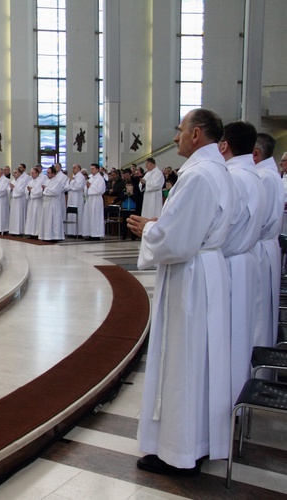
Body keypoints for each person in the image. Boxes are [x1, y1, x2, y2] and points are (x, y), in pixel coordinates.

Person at [128, 108, 234, 476]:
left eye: (179, 130)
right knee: (198, 360)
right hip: (205, 271)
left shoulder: (199, 176)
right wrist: (163, 226)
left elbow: (181, 240)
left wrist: (150, 231)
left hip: (190, 276)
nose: (174, 137)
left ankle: (178, 452)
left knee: (182, 361)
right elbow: (193, 226)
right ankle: (194, 442)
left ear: (196, 134)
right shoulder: (216, 170)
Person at [219, 121, 265, 409]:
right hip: (244, 259)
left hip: (230, 263)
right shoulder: (254, 175)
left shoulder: (233, 177)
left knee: (228, 343)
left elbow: (221, 226)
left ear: (224, 145)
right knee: (238, 336)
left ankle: (225, 405)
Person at [253, 133, 284, 350]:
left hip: (260, 248)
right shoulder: (271, 174)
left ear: (256, 154)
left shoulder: (263, 177)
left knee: (259, 310)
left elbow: (256, 220)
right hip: (267, 246)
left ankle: (259, 361)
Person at [38, 166, 66, 242]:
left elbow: (54, 192)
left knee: (53, 220)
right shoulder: (47, 181)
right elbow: (42, 191)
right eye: (47, 173)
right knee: (46, 220)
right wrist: (43, 189)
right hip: (46, 203)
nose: (47, 174)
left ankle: (54, 236)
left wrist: (45, 189)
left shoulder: (57, 182)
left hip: (53, 203)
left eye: (49, 173)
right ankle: (46, 236)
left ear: (53, 173)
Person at [81, 163, 106, 240]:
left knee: (95, 217)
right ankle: (89, 233)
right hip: (90, 199)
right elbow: (86, 188)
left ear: (97, 169)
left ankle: (96, 234)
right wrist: (87, 188)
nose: (91, 170)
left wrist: (90, 186)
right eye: (91, 169)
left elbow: (101, 190)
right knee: (89, 216)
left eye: (93, 169)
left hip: (96, 199)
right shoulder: (91, 178)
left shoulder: (100, 179)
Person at [24, 166, 46, 237]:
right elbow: (26, 190)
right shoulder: (30, 181)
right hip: (31, 201)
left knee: (37, 217)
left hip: (37, 202)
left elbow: (40, 192)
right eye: (31, 173)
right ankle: (31, 232)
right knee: (31, 217)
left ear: (37, 173)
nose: (32, 175)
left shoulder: (41, 181)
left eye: (33, 173)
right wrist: (28, 191)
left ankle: (37, 233)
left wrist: (31, 190)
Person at [65, 164, 86, 238]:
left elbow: (78, 187)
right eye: (72, 168)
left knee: (78, 214)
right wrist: (71, 182)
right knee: (71, 215)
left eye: (74, 168)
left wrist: (72, 181)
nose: (73, 169)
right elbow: (66, 187)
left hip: (77, 198)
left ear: (79, 169)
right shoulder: (72, 176)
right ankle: (71, 232)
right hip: (71, 197)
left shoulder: (81, 177)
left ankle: (78, 232)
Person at [7, 168, 27, 236]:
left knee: (18, 215)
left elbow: (21, 191)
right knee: (13, 215)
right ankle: (13, 230)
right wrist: (11, 189)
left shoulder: (22, 181)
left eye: (15, 172)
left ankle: (19, 231)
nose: (13, 174)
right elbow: (8, 190)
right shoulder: (13, 181)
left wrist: (14, 188)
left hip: (19, 201)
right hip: (13, 200)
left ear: (19, 173)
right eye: (13, 172)